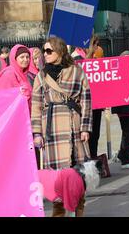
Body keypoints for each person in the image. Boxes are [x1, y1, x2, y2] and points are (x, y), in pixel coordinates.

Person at [31, 37, 92, 170]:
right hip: (51, 125)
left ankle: (77, 189)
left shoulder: (77, 72)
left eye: (49, 51)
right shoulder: (41, 76)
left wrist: (85, 128)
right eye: (44, 51)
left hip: (73, 123)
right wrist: (37, 133)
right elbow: (36, 106)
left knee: (78, 166)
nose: (45, 54)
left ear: (60, 51)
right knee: (55, 169)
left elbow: (86, 101)